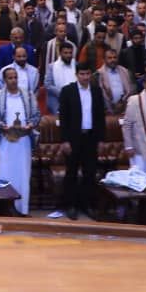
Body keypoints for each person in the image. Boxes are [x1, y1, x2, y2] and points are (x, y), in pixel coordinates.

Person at [0, 67, 41, 216]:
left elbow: (37, 115)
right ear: (4, 80)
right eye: (10, 78)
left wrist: (30, 125)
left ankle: (22, 209)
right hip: (5, 141)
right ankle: (3, 209)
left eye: (15, 77)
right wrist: (1, 125)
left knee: (23, 175)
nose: (14, 80)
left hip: (23, 141)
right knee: (5, 174)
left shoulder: (28, 95)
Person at [58, 62, 105, 219]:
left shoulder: (97, 91)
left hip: (91, 138)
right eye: (82, 74)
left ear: (91, 74)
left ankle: (87, 204)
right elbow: (63, 118)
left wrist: (101, 139)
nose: (85, 77)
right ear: (76, 75)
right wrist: (64, 140)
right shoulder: (68, 91)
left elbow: (100, 117)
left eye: (87, 74)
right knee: (71, 173)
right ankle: (70, 205)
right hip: (73, 139)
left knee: (89, 173)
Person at [96, 47, 135, 115]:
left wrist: (122, 102)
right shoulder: (98, 74)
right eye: (109, 58)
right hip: (107, 111)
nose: (113, 60)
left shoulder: (125, 71)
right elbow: (99, 95)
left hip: (125, 108)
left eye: (115, 57)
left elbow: (131, 90)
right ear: (104, 60)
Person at [44, 42, 77, 114]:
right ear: (60, 53)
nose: (68, 55)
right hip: (57, 97)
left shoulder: (76, 65)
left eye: (70, 53)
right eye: (65, 53)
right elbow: (47, 85)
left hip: (74, 96)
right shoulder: (52, 67)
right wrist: (63, 93)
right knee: (61, 114)